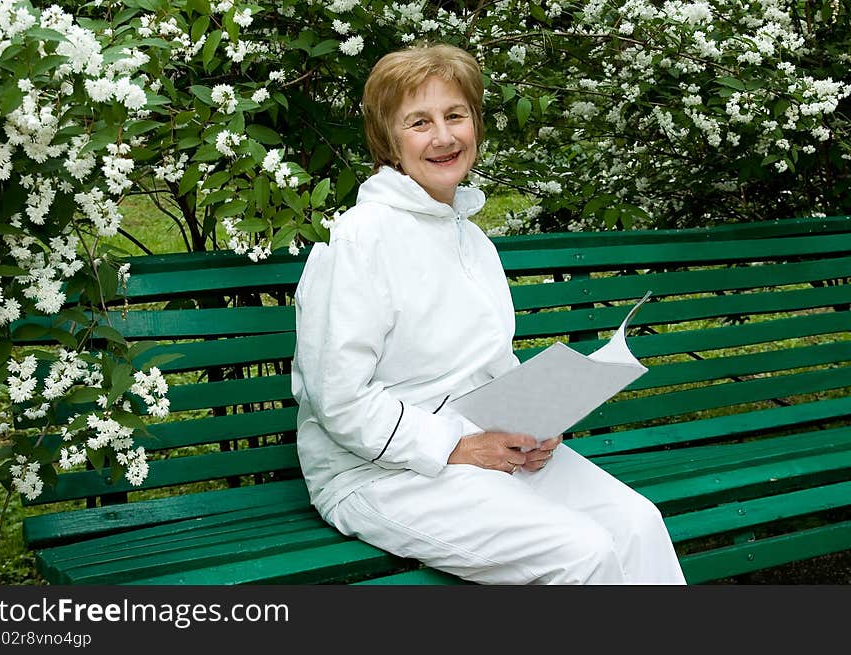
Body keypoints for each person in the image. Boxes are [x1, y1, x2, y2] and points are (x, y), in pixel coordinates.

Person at [290, 43, 686, 585]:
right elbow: (337, 396)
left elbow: (488, 364)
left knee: (638, 523)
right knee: (582, 552)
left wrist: (534, 426)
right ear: (388, 138)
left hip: (482, 448)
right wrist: (454, 445)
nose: (444, 137)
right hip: (378, 472)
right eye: (419, 122)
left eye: (456, 115)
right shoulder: (357, 239)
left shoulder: (471, 239)